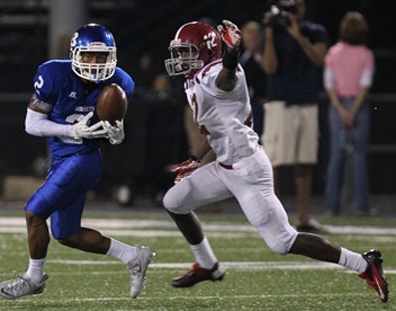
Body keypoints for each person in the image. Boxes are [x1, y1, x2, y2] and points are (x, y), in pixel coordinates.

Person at [162, 19, 388, 303]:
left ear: (206, 51)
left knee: (283, 241)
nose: (181, 58)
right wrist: (196, 158)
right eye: (180, 52)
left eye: (187, 51)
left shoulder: (219, 72)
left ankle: (365, 264)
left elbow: (226, 80)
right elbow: (216, 126)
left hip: (248, 170)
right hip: (224, 166)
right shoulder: (196, 77)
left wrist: (231, 55)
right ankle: (207, 265)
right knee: (174, 202)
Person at [0, 23, 154, 300]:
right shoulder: (54, 74)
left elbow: (113, 131)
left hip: (84, 160)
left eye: (101, 56)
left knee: (34, 213)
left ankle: (33, 279)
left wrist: (117, 134)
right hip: (60, 157)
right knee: (67, 234)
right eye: (89, 56)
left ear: (112, 56)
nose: (95, 63)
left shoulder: (120, 82)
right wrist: (71, 130)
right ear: (75, 54)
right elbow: (32, 124)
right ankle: (133, 255)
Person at [261, 0, 328, 232]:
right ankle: (275, 219)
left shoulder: (314, 31)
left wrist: (297, 35)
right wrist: (269, 32)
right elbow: (269, 67)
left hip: (307, 102)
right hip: (280, 102)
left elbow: (319, 59)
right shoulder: (274, 34)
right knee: (274, 163)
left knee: (304, 162)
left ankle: (303, 217)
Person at [324, 12, 374, 216]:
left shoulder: (333, 52)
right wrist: (352, 111)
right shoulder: (366, 54)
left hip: (338, 107)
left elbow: (329, 85)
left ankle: (331, 206)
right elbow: (365, 85)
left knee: (336, 156)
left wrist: (342, 109)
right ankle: (361, 206)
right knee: (359, 157)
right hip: (358, 108)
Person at [240, 21, 267, 136]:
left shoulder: (267, 60)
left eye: (255, 34)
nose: (252, 37)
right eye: (249, 34)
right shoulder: (238, 61)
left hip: (264, 105)